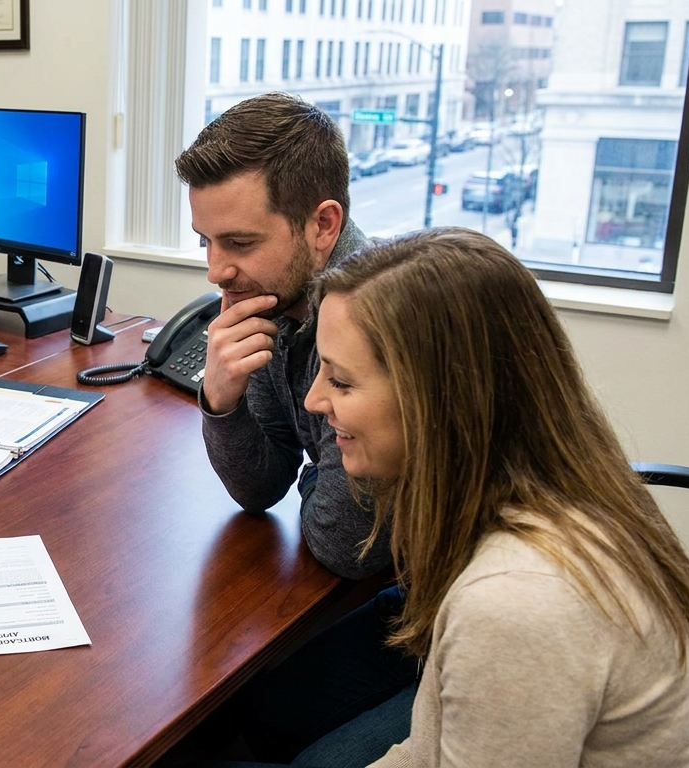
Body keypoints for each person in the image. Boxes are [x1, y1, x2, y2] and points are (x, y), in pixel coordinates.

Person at [301, 227, 689, 766]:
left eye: (341, 382)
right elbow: (430, 744)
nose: (314, 399)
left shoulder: (516, 604)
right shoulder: (557, 490)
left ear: (436, 402)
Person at [169, 93, 416, 763]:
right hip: (410, 594)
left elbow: (341, 542)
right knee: (237, 716)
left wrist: (315, 479)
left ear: (323, 223)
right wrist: (221, 400)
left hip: (465, 615)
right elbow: (261, 487)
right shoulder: (279, 300)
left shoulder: (378, 324)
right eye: (206, 242)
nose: (216, 269)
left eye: (240, 243)